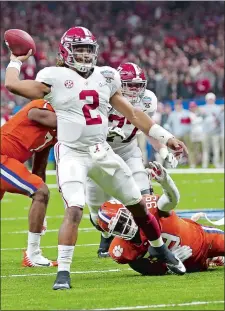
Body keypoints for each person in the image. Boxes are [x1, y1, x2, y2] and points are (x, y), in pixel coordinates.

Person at [5, 26, 188, 290]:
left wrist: (166, 137)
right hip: (72, 153)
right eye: (79, 49)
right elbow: (12, 85)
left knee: (136, 203)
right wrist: (15, 60)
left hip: (102, 150)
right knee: (75, 208)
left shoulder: (106, 76)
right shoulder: (53, 76)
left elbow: (134, 114)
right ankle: (64, 273)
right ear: (66, 51)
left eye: (88, 49)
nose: (84, 54)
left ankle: (159, 249)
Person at [86, 62, 179, 258]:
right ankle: (105, 235)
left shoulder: (147, 100)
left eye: (138, 85)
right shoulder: (103, 95)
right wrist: (104, 131)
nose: (135, 89)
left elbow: (148, 128)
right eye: (129, 84)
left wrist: (163, 151)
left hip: (128, 150)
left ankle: (151, 239)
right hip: (100, 152)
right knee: (96, 207)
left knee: (144, 195)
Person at [97, 162, 224, 274]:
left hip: (204, 239)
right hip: (190, 266)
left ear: (128, 210)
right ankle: (210, 261)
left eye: (123, 219)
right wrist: (169, 263)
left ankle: (213, 258)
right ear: (112, 233)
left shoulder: (148, 208)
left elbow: (171, 201)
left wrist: (166, 182)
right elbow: (147, 270)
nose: (125, 226)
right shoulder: (121, 250)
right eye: (118, 227)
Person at [1, 98, 57, 267]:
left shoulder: (56, 131)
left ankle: (32, 255)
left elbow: (39, 169)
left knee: (41, 192)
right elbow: (33, 113)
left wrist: (41, 211)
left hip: (8, 162)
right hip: (3, 157)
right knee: (41, 192)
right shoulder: (45, 107)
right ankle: (32, 254)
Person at [200, 93, 221, 168]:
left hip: (215, 132)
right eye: (209, 99)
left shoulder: (217, 108)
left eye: (211, 99)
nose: (210, 100)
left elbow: (219, 119)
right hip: (206, 131)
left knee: (216, 148)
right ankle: (205, 164)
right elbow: (200, 117)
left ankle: (217, 163)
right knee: (205, 149)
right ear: (206, 100)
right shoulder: (203, 108)